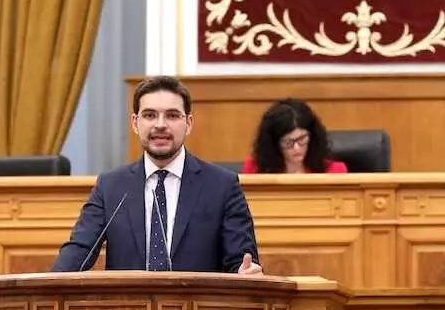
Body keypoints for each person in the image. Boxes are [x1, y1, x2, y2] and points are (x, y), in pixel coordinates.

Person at [51, 76, 262, 274]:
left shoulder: (222, 186)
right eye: (150, 115)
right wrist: (45, 285)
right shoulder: (111, 186)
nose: (160, 124)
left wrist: (246, 272)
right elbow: (78, 253)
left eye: (172, 115)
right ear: (135, 123)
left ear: (188, 124)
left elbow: (240, 262)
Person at [241, 99, 348, 174]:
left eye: (302, 139)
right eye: (288, 142)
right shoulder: (255, 170)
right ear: (274, 143)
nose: (296, 148)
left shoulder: (333, 171)